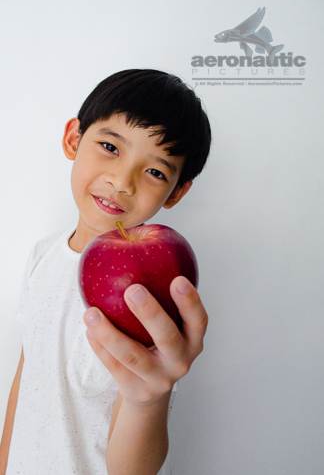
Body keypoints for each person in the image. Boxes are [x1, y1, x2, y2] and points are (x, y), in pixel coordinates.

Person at [0, 69, 211, 474]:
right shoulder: (42, 256)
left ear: (177, 192)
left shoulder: (152, 292)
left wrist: (147, 400)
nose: (122, 181)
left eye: (154, 171)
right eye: (110, 147)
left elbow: (132, 468)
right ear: (73, 140)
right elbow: (28, 378)